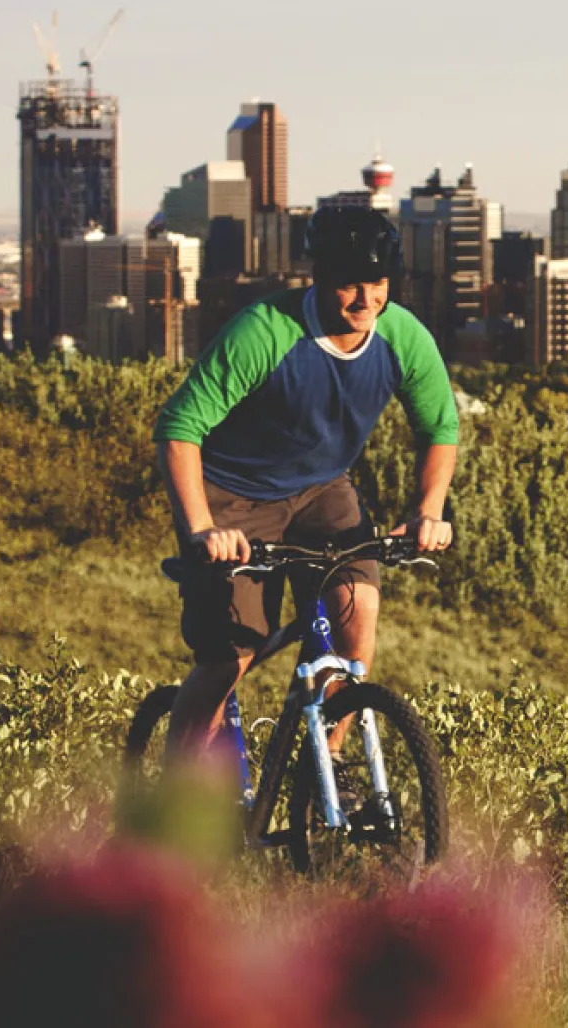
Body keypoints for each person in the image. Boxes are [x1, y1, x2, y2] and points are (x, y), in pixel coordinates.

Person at [153, 205, 458, 756]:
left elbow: (439, 427)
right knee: (231, 655)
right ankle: (174, 803)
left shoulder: (403, 337)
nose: (366, 300)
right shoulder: (265, 332)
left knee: (357, 604)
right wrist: (202, 527)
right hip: (233, 494)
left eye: (379, 285)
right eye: (350, 286)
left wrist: (427, 509)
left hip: (322, 487)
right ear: (317, 278)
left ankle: (328, 763)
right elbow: (179, 429)